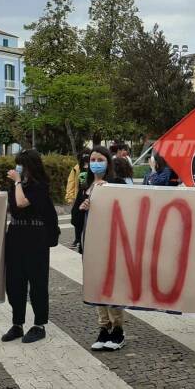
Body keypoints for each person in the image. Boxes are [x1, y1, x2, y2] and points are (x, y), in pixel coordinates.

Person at [0, 149, 59, 344]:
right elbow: (13, 206)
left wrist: (16, 182)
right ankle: (17, 323)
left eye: (22, 165)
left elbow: (22, 202)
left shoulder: (39, 186)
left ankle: (39, 324)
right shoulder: (17, 185)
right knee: (15, 282)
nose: (18, 169)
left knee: (37, 282)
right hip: (16, 236)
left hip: (36, 237)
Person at [79, 146, 129, 351]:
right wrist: (82, 207)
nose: (96, 162)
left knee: (112, 286)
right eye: (93, 159)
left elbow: (125, 211)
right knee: (97, 287)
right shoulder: (86, 185)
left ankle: (118, 330)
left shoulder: (116, 183)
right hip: (90, 244)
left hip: (112, 244)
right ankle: (103, 328)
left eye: (100, 159)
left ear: (108, 162)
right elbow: (76, 217)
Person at [69, 152, 90, 252]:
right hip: (80, 196)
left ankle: (82, 240)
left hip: (89, 195)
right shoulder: (76, 168)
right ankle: (77, 239)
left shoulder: (94, 169)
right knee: (77, 217)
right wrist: (70, 197)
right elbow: (72, 183)